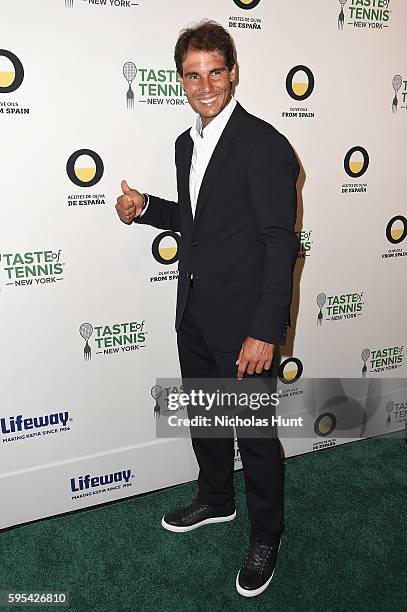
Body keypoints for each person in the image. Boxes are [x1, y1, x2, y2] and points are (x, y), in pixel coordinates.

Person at [116, 20, 299, 597]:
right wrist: (147, 208)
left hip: (246, 325)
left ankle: (266, 533)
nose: (204, 85)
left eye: (214, 71)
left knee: (255, 434)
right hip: (194, 311)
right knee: (207, 417)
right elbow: (200, 222)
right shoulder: (185, 143)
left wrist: (265, 331)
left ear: (233, 71)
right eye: (192, 75)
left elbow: (280, 242)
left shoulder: (265, 144)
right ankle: (217, 498)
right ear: (181, 81)